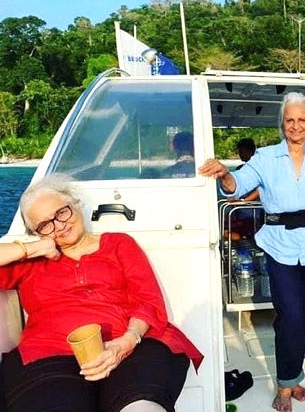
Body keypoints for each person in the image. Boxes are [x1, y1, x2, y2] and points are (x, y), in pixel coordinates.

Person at [199, 92, 305, 412]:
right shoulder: (264, 158)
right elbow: (236, 185)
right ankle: (284, 383)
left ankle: (293, 375)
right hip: (279, 244)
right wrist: (224, 172)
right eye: (290, 120)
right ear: (283, 124)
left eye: (302, 120)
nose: (296, 126)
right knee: (290, 314)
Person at [0, 175, 203, 412]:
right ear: (36, 232)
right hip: (48, 353)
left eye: (62, 212)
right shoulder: (31, 261)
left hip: (131, 343)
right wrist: (31, 248)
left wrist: (126, 342)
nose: (59, 225)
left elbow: (147, 299)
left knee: (142, 408)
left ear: (75, 204)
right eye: (45, 225)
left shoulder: (119, 244)